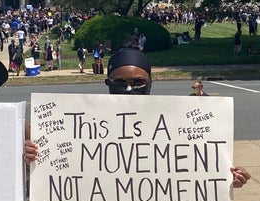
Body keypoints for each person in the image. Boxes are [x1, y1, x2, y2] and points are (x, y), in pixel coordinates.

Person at [102, 47, 250, 187]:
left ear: (150, 83)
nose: (129, 89)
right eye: (120, 82)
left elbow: (200, 163)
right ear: (108, 83)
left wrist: (225, 176)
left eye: (138, 82)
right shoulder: (89, 126)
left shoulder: (177, 121)